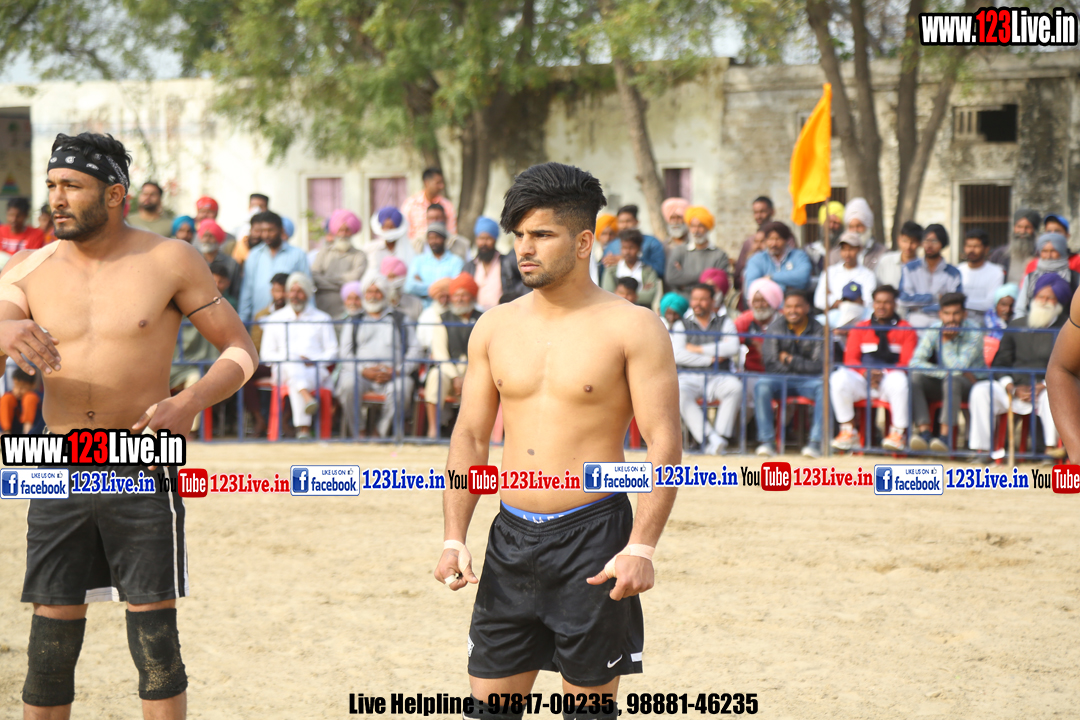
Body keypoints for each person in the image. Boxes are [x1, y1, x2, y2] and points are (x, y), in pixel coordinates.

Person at [7, 131, 257, 719]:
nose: (56, 198)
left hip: (142, 459)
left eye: (72, 186)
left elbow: (241, 351)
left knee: (155, 640)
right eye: (52, 185)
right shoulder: (26, 268)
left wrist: (188, 401)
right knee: (49, 643)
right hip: (57, 461)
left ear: (116, 194)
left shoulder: (169, 259)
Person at [433, 162, 680, 707]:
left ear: (584, 241)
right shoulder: (494, 326)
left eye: (542, 234)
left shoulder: (634, 326)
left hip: (594, 538)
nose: (525, 248)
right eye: (519, 235)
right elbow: (470, 437)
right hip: (510, 538)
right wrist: (454, 537)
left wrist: (642, 547)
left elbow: (663, 442)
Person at [969, 273, 1069, 457]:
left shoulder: (1068, 328)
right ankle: (982, 450)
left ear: (1059, 302)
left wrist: (1043, 386)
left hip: (1046, 389)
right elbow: (1000, 363)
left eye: (1049, 298)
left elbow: (1071, 367)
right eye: (1040, 296)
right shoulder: (1016, 325)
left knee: (1054, 396)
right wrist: (1011, 387)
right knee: (981, 391)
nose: (1043, 301)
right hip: (1015, 389)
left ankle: (1051, 449)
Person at [829, 285, 916, 452]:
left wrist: (881, 374)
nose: (881, 306)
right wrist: (865, 372)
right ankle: (848, 431)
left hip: (889, 380)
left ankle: (897, 434)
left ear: (895, 304)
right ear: (873, 304)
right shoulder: (860, 328)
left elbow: (906, 362)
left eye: (887, 302)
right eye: (878, 302)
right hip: (863, 380)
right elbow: (851, 360)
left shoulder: (906, 328)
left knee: (900, 380)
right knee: (838, 377)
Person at [336, 271, 420, 437]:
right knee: (347, 385)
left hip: (393, 374)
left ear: (385, 293)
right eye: (369, 291)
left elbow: (415, 350)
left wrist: (397, 371)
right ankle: (359, 432)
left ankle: (379, 433)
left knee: (402, 388)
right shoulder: (354, 320)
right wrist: (363, 370)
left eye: (377, 291)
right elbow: (345, 353)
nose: (373, 296)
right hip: (361, 374)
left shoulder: (400, 319)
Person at [259, 272, 337, 439]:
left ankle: (303, 427)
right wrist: (291, 359)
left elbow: (332, 351)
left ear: (307, 293)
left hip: (314, 370)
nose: (295, 295)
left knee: (295, 379)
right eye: (292, 291)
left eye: (300, 291)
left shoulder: (322, 318)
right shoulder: (275, 319)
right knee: (292, 360)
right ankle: (304, 424)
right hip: (283, 371)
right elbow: (266, 354)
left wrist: (313, 361)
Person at [908, 292, 985, 453]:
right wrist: (943, 372)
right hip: (947, 380)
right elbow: (914, 362)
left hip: (972, 385)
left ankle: (945, 437)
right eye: (947, 313)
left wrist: (946, 342)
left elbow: (958, 367)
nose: (951, 318)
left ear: (964, 314)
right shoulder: (934, 329)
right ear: (940, 314)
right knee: (915, 378)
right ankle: (925, 434)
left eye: (956, 313)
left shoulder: (974, 332)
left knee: (953, 381)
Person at [754, 289, 825, 458]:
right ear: (783, 308)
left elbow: (819, 366)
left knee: (824, 388)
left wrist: (790, 360)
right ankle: (766, 442)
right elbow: (771, 364)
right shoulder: (775, 328)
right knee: (761, 385)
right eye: (788, 306)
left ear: (807, 307)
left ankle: (815, 444)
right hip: (780, 380)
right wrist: (800, 366)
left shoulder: (819, 329)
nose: (793, 310)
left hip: (808, 381)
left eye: (797, 306)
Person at [675, 284, 741, 455]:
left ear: (713, 301)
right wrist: (710, 359)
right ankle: (710, 438)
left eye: (703, 299)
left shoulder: (725, 322)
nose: (698, 303)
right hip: (688, 376)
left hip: (719, 376)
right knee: (679, 393)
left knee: (735, 387)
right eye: (695, 299)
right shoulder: (681, 324)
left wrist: (697, 349)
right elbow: (678, 355)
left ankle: (719, 437)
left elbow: (732, 347)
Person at [424, 272, 483, 437]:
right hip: (449, 373)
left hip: (474, 372)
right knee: (435, 376)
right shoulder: (442, 319)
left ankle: (476, 434)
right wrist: (455, 377)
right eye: (456, 295)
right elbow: (440, 353)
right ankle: (433, 430)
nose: (459, 299)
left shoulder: (483, 318)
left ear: (472, 296)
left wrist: (468, 375)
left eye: (464, 295)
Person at [237, 211, 310, 323]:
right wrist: (243, 321)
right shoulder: (254, 255)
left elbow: (306, 288)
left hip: (289, 320)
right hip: (259, 320)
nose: (266, 235)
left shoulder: (298, 255)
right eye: (263, 231)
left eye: (270, 230)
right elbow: (247, 291)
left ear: (281, 230)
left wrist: (310, 319)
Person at [898, 223, 962, 328]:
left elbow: (954, 304)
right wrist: (934, 298)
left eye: (934, 241)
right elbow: (903, 299)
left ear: (942, 243)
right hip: (915, 320)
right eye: (926, 241)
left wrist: (920, 305)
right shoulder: (909, 268)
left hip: (943, 322)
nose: (929, 245)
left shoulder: (953, 273)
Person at [311, 209, 368, 317]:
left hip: (350, 309)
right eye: (340, 230)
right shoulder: (324, 252)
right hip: (323, 306)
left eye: (347, 230)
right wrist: (342, 283)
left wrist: (327, 279)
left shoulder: (359, 255)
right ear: (335, 231)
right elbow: (315, 276)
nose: (343, 234)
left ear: (352, 232)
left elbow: (355, 278)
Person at [664, 206, 729, 297]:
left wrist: (684, 280)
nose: (696, 230)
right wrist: (706, 277)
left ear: (707, 228)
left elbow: (720, 283)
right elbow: (671, 278)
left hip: (707, 301)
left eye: (700, 226)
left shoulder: (719, 255)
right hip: (682, 301)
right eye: (693, 226)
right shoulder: (679, 251)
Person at [742, 220, 813, 303]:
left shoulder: (799, 256)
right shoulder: (756, 259)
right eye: (770, 239)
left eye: (778, 239)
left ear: (786, 240)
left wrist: (771, 278)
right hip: (767, 307)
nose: (774, 244)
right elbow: (752, 287)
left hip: (794, 306)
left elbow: (803, 278)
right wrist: (787, 287)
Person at [1016, 232, 1079, 319]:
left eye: (1053, 251)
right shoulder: (1031, 277)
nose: (1049, 255)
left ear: (1062, 251)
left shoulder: (1074, 277)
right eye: (1044, 251)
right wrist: (1021, 325)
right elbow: (1020, 308)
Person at [814, 231, 877, 312]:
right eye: (843, 249)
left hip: (858, 316)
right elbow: (819, 300)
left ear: (859, 249)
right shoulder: (830, 272)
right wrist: (845, 302)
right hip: (834, 316)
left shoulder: (868, 275)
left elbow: (868, 302)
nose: (847, 254)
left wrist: (833, 298)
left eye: (851, 249)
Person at [404, 221, 465, 304]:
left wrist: (422, 284)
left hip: (447, 307)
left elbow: (455, 287)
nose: (433, 241)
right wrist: (441, 287)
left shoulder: (456, 261)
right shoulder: (419, 260)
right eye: (430, 238)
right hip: (423, 307)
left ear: (444, 239)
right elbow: (409, 287)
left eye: (437, 238)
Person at [735, 277, 784, 377]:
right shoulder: (745, 319)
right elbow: (730, 338)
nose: (759, 305)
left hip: (781, 373)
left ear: (773, 301)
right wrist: (750, 341)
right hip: (752, 373)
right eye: (756, 301)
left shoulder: (784, 320)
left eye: (764, 301)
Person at [601, 229, 660, 309]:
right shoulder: (611, 271)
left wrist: (620, 294)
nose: (627, 252)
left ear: (639, 249)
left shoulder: (649, 271)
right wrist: (639, 292)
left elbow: (649, 296)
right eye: (624, 248)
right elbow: (608, 295)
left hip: (641, 312)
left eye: (631, 248)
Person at [957, 228, 1005, 322]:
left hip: (985, 324)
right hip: (959, 323)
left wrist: (960, 303)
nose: (971, 250)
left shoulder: (997, 272)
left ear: (986, 249)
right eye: (968, 246)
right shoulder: (957, 270)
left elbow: (990, 304)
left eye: (976, 246)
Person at [403, 167, 457, 250]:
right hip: (416, 250)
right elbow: (405, 231)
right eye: (438, 183)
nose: (441, 186)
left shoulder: (447, 205)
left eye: (442, 183)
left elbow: (452, 232)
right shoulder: (411, 204)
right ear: (426, 183)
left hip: (441, 251)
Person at [826, 197, 886, 271]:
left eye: (859, 226)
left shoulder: (882, 253)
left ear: (867, 226)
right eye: (851, 227)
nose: (855, 231)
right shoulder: (835, 255)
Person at [734, 196, 776, 294]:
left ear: (772, 211)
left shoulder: (785, 238)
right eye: (755, 212)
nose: (758, 216)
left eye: (762, 212)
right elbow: (738, 273)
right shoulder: (749, 242)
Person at [612, 204, 667, 279]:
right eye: (621, 222)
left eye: (628, 221)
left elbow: (660, 270)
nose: (624, 226)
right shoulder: (611, 245)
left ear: (636, 222)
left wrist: (630, 260)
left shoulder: (652, 242)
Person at [989, 207, 1040, 283]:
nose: (1022, 231)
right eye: (1019, 227)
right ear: (1014, 228)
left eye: (1027, 227)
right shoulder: (999, 255)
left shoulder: (1040, 255)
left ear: (1034, 230)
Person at [462, 216, 503, 311]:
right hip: (476, 315)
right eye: (481, 238)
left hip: (502, 313)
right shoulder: (469, 267)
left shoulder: (506, 263)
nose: (484, 243)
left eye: (488, 238)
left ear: (495, 240)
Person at [196, 219, 242, 295]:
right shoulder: (195, 260)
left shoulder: (231, 263)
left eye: (211, 236)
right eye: (205, 236)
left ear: (218, 239)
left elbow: (235, 291)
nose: (207, 239)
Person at [875, 221, 923, 290]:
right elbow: (877, 286)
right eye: (905, 241)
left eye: (913, 242)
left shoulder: (922, 267)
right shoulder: (886, 261)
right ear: (899, 240)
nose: (908, 246)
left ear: (920, 243)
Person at [983, 283, 1018, 365]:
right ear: (996, 305)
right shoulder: (984, 326)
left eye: (1012, 305)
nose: (1007, 310)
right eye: (1003, 304)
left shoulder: (1019, 326)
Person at [230, 193, 271, 264]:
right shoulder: (238, 230)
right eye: (253, 206)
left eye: (261, 206)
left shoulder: (272, 230)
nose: (257, 209)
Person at [380, 255, 423, 321]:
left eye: (395, 277)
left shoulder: (416, 304)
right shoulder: (379, 303)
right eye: (390, 277)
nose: (392, 281)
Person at [417, 277, 451, 354]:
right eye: (442, 297)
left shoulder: (456, 314)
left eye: (448, 296)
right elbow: (422, 340)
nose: (445, 300)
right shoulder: (427, 315)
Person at [1, 368, 39, 434]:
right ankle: (6, 433)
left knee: (30, 397)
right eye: (15, 386)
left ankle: (27, 432)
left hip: (32, 430)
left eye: (22, 387)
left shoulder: (36, 397)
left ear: (33, 386)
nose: (18, 391)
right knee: (6, 398)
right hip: (10, 430)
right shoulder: (10, 397)